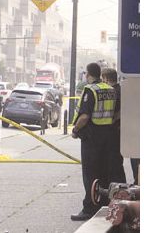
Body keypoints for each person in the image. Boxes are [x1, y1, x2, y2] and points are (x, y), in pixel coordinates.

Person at [70, 62, 117, 221]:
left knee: (90, 174)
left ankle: (89, 208)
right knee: (104, 173)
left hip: (92, 138)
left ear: (88, 74)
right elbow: (116, 114)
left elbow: (84, 116)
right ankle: (104, 205)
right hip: (109, 137)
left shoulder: (90, 90)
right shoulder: (110, 89)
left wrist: (75, 130)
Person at [101, 68, 126, 184]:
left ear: (106, 78)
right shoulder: (121, 89)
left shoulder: (113, 91)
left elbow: (119, 110)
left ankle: (118, 189)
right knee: (117, 162)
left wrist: (115, 118)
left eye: (103, 78)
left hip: (114, 130)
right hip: (121, 129)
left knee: (114, 163)